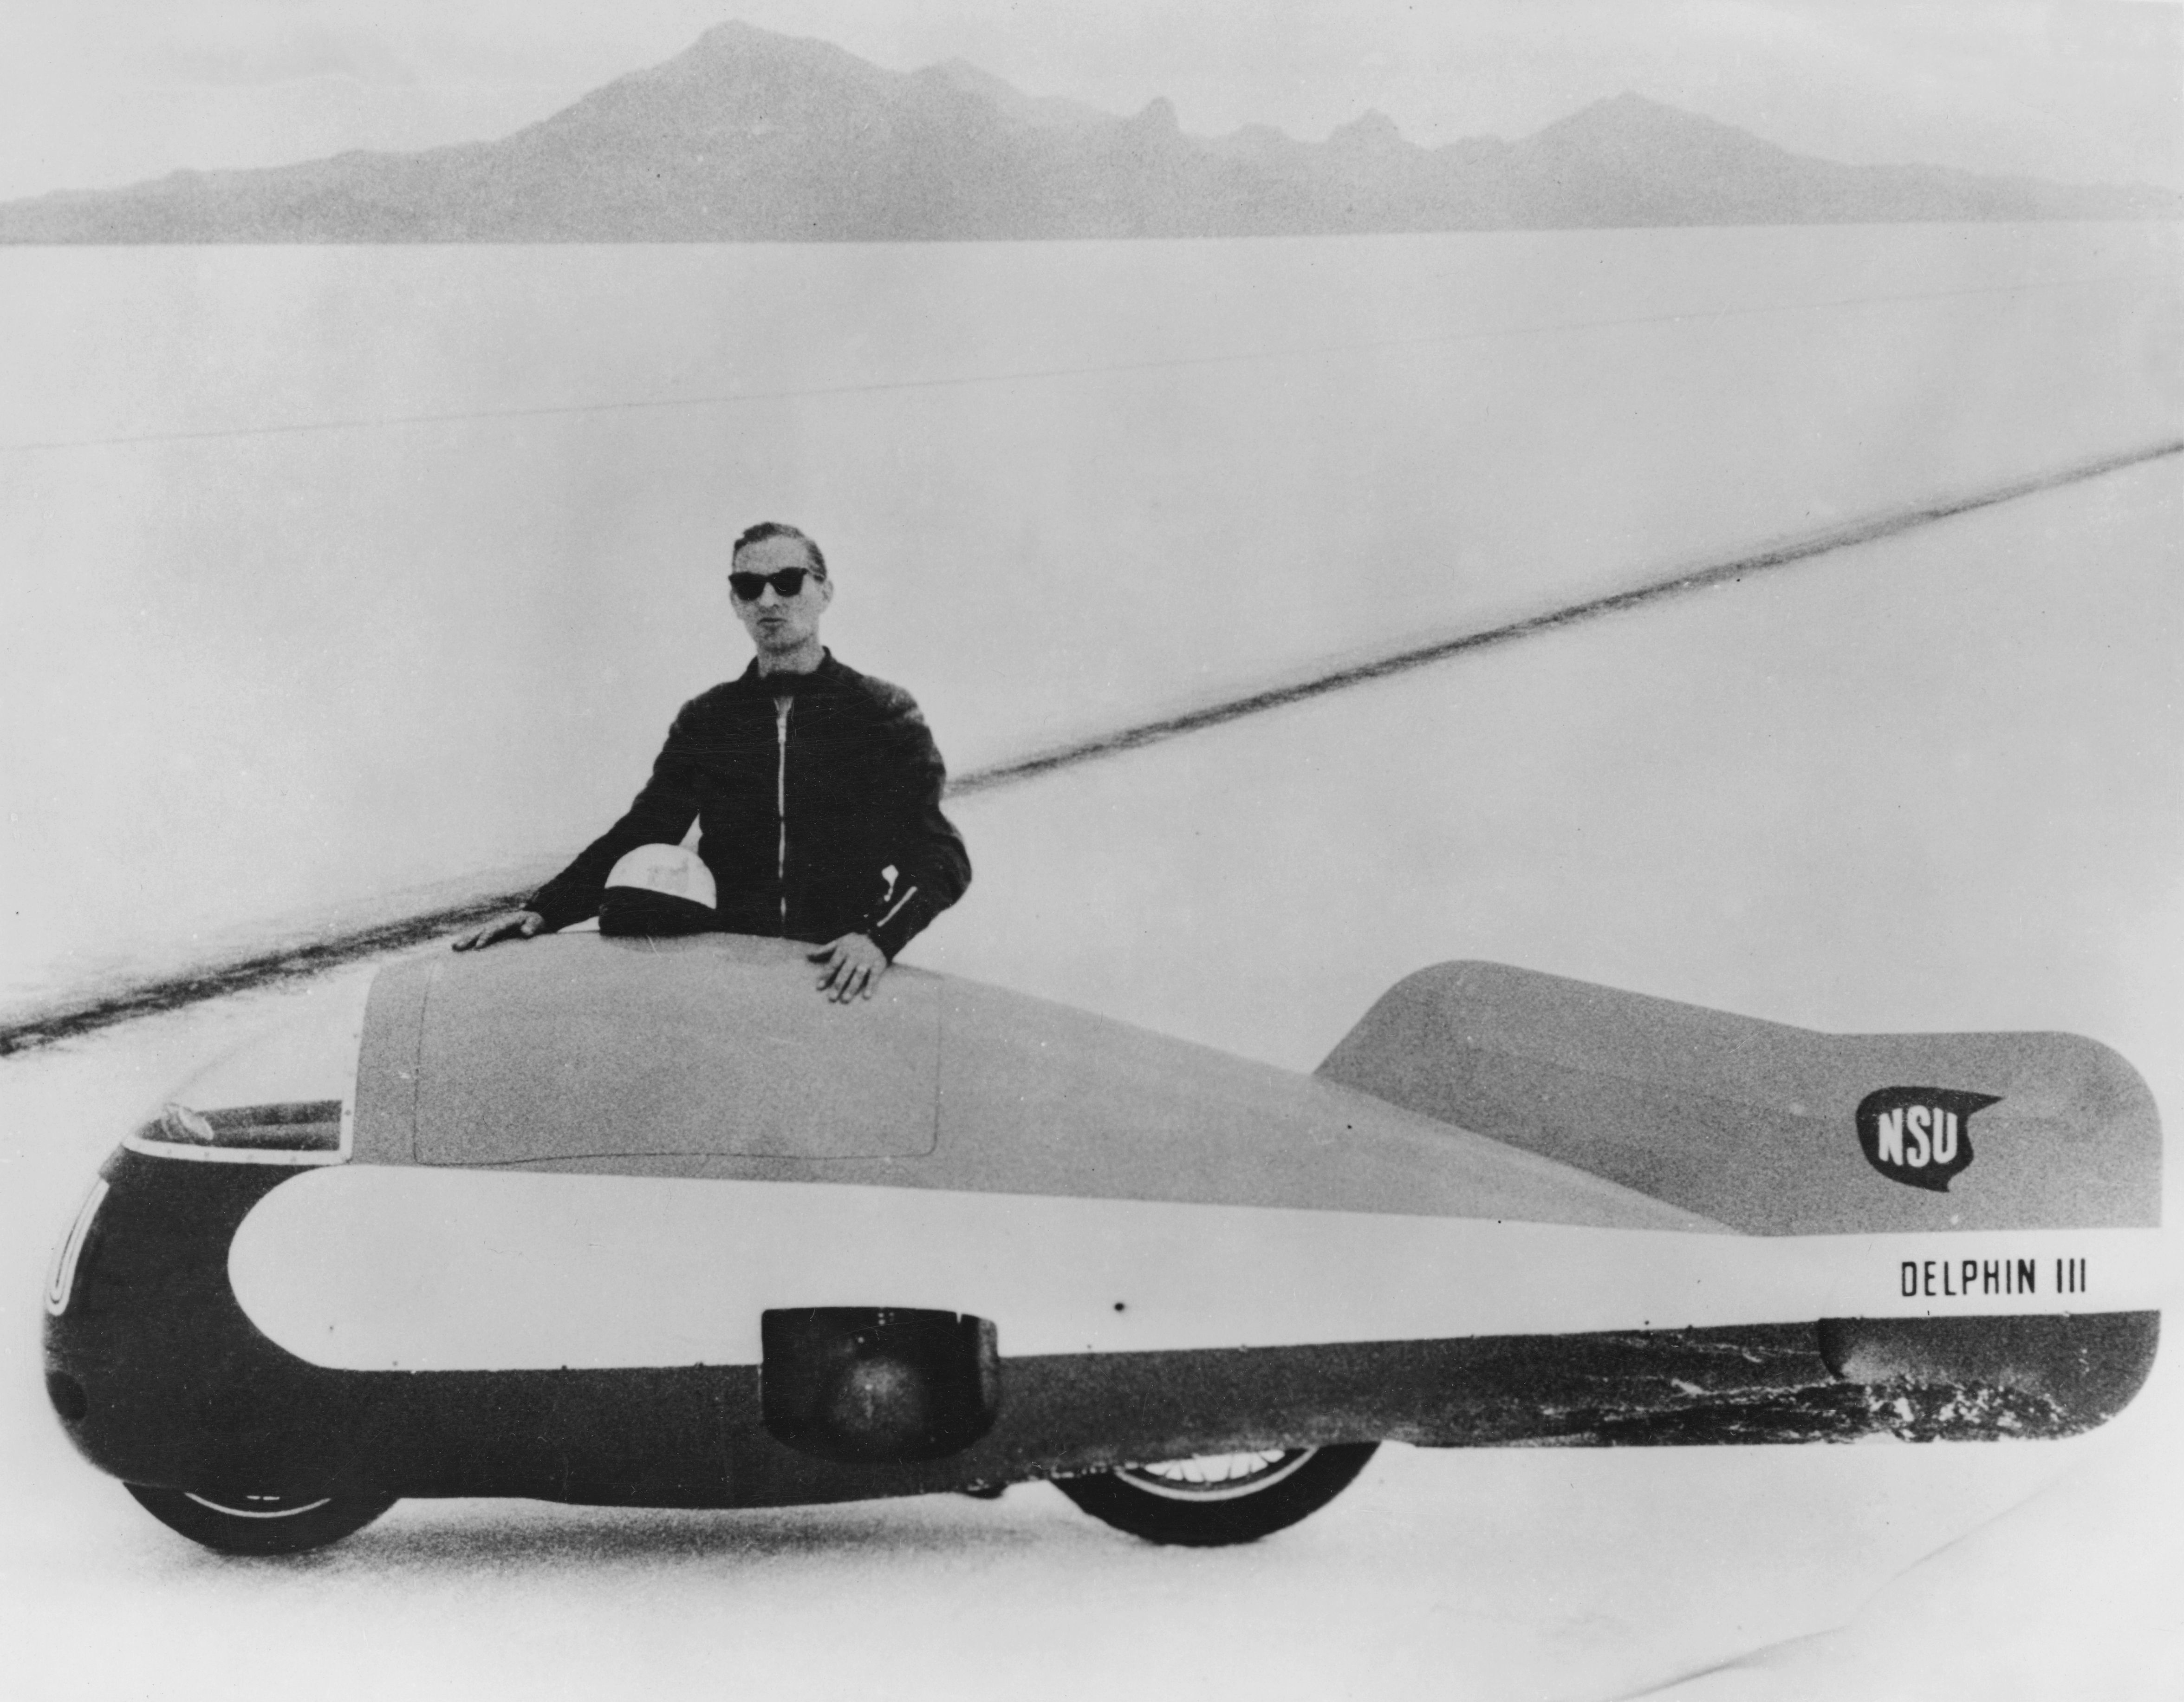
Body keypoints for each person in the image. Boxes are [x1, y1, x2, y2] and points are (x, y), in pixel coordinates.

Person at [452, 522, 970, 1001]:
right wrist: (543, 910)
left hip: (836, 969)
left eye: (788, 582)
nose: (768, 599)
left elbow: (941, 857)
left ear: (825, 592)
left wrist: (877, 939)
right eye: (749, 587)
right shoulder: (710, 718)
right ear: (735, 602)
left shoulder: (880, 712)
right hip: (731, 969)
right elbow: (645, 830)